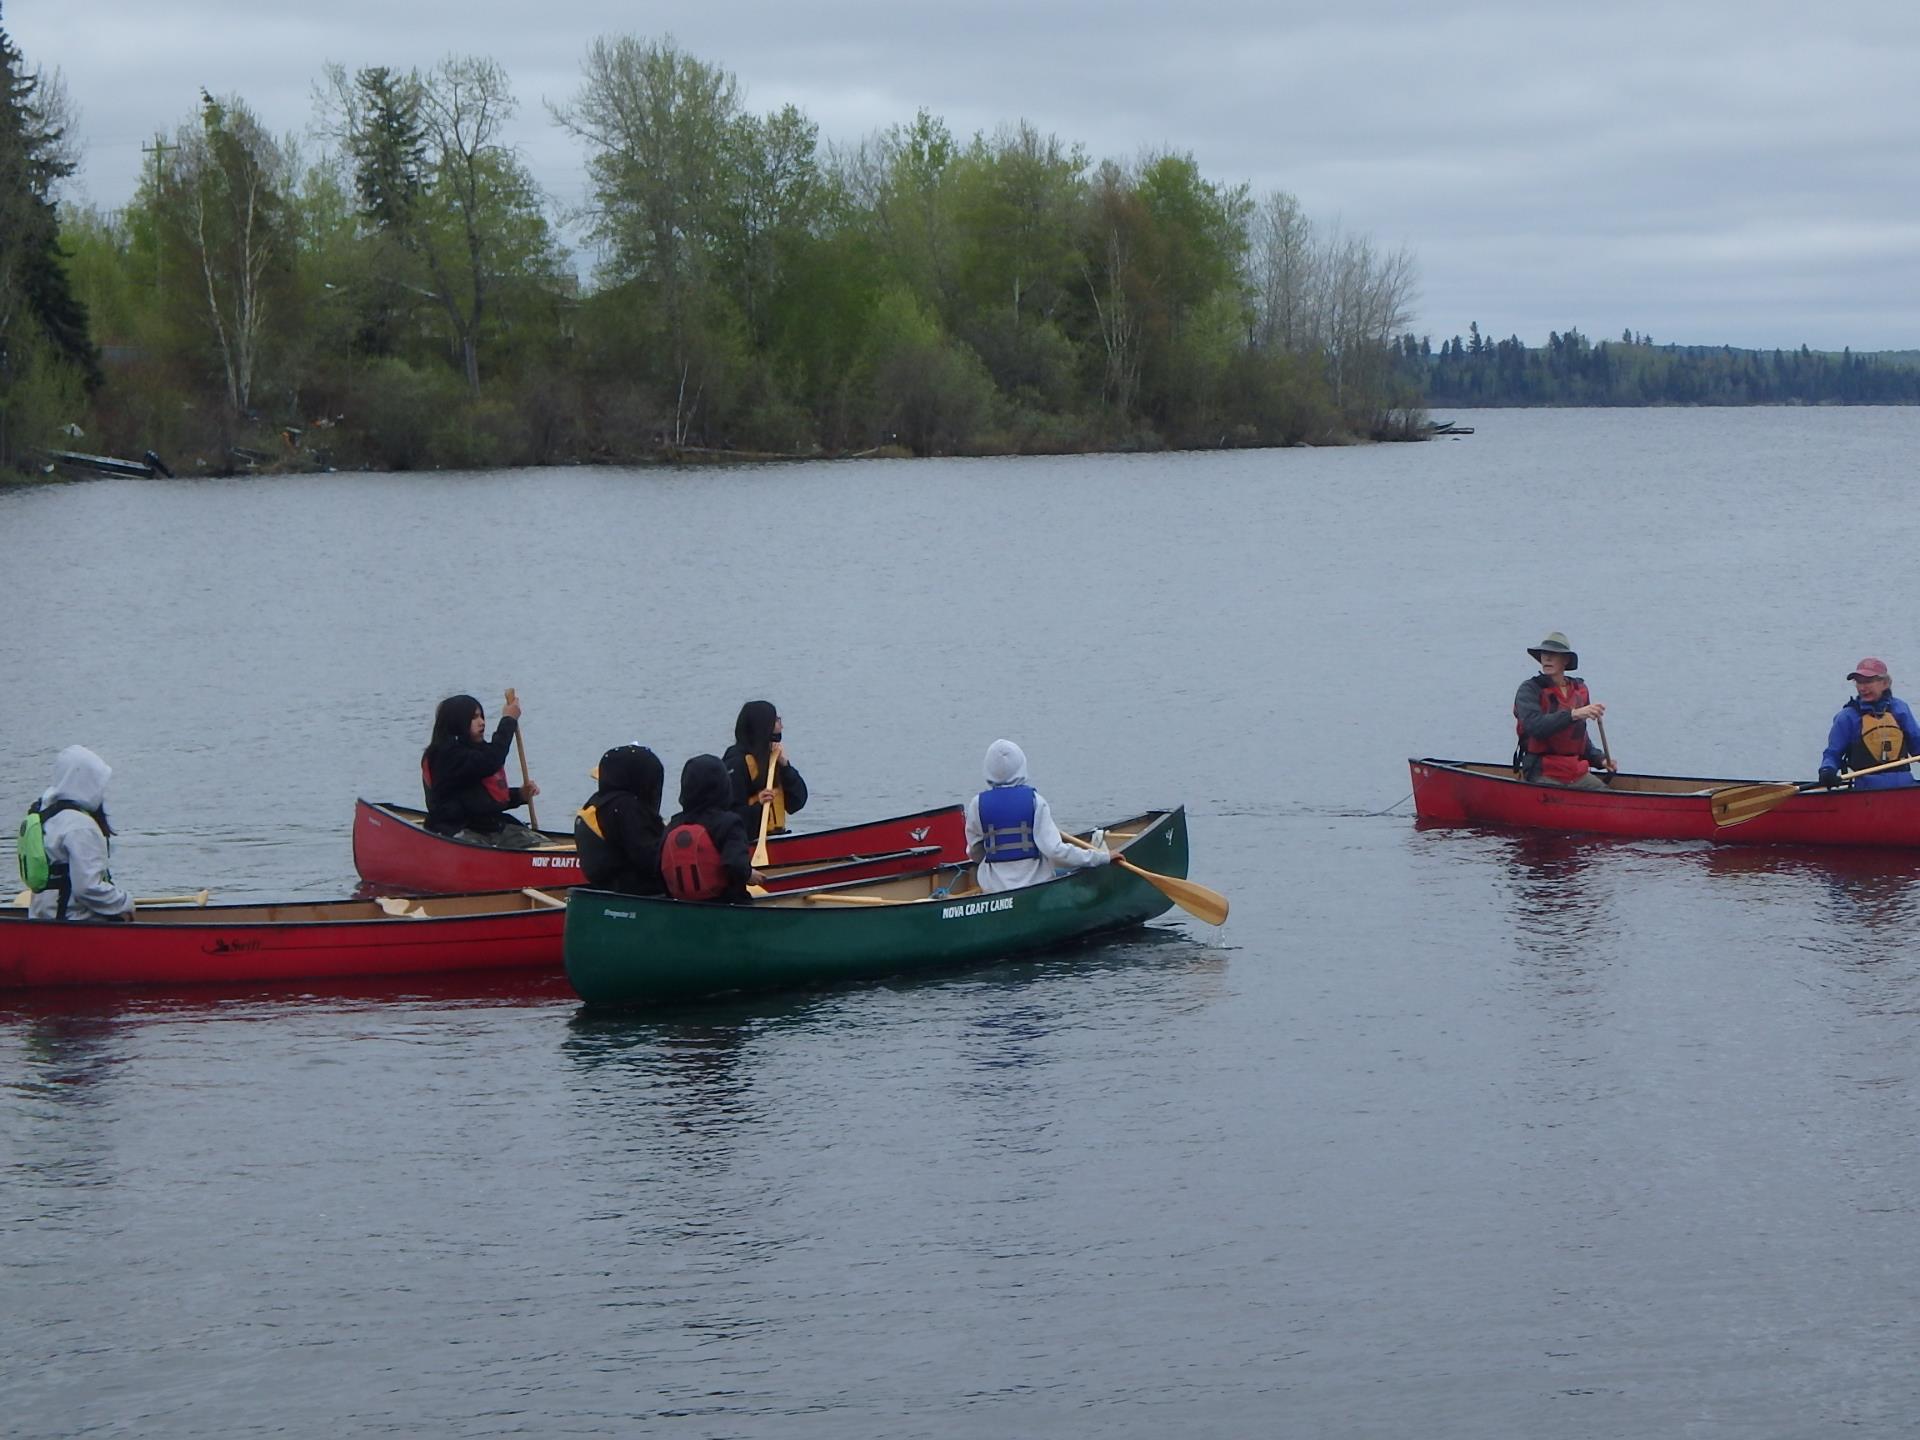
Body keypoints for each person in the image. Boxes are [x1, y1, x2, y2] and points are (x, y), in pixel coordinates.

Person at [963, 739, 1112, 894]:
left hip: (994, 888)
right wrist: (1102, 857)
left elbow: (975, 853)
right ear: (1021, 766)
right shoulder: (1036, 801)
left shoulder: (977, 804)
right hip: (1035, 885)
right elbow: (1055, 851)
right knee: (1065, 870)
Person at [23, 745, 134, 922]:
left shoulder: (45, 816)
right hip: (73, 922)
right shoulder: (80, 826)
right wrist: (125, 902)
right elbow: (87, 888)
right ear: (86, 782)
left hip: (41, 919)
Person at [420, 693, 543, 847]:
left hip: (484, 826)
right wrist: (508, 720)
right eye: (474, 718)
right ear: (457, 723)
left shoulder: (474, 752)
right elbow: (492, 760)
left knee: (535, 841)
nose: (482, 722)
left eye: (481, 717)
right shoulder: (447, 756)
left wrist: (519, 795)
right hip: (455, 830)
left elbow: (480, 800)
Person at [1513, 631, 1614, 789]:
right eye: (1544, 653)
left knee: (1607, 796)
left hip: (1574, 771)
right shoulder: (1529, 689)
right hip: (1542, 771)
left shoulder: (1579, 690)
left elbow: (1579, 738)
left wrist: (1600, 760)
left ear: (1565, 660)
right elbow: (1534, 726)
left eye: (1554, 654)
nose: (1547, 658)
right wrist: (1573, 714)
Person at [662, 754, 761, 903]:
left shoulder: (674, 824)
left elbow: (658, 865)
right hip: (727, 906)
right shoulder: (730, 822)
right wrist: (748, 875)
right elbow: (736, 865)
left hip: (682, 907)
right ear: (724, 787)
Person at [575, 745, 667, 895]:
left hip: (607, 889)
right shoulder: (626, 808)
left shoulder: (596, 803)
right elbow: (651, 858)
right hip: (636, 895)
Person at [1819, 658, 1920, 790]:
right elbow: (1833, 753)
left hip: (1905, 787)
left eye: (1868, 681)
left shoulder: (1900, 709)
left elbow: (1917, 745)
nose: (1862, 687)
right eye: (1858, 682)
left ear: (1885, 683)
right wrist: (1827, 770)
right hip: (1866, 791)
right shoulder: (1848, 717)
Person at [723, 700, 807, 838]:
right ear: (763, 726)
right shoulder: (737, 762)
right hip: (749, 840)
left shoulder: (774, 759)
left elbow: (796, 803)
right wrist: (758, 806)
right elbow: (729, 816)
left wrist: (786, 767)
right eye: (777, 721)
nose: (782, 726)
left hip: (778, 836)